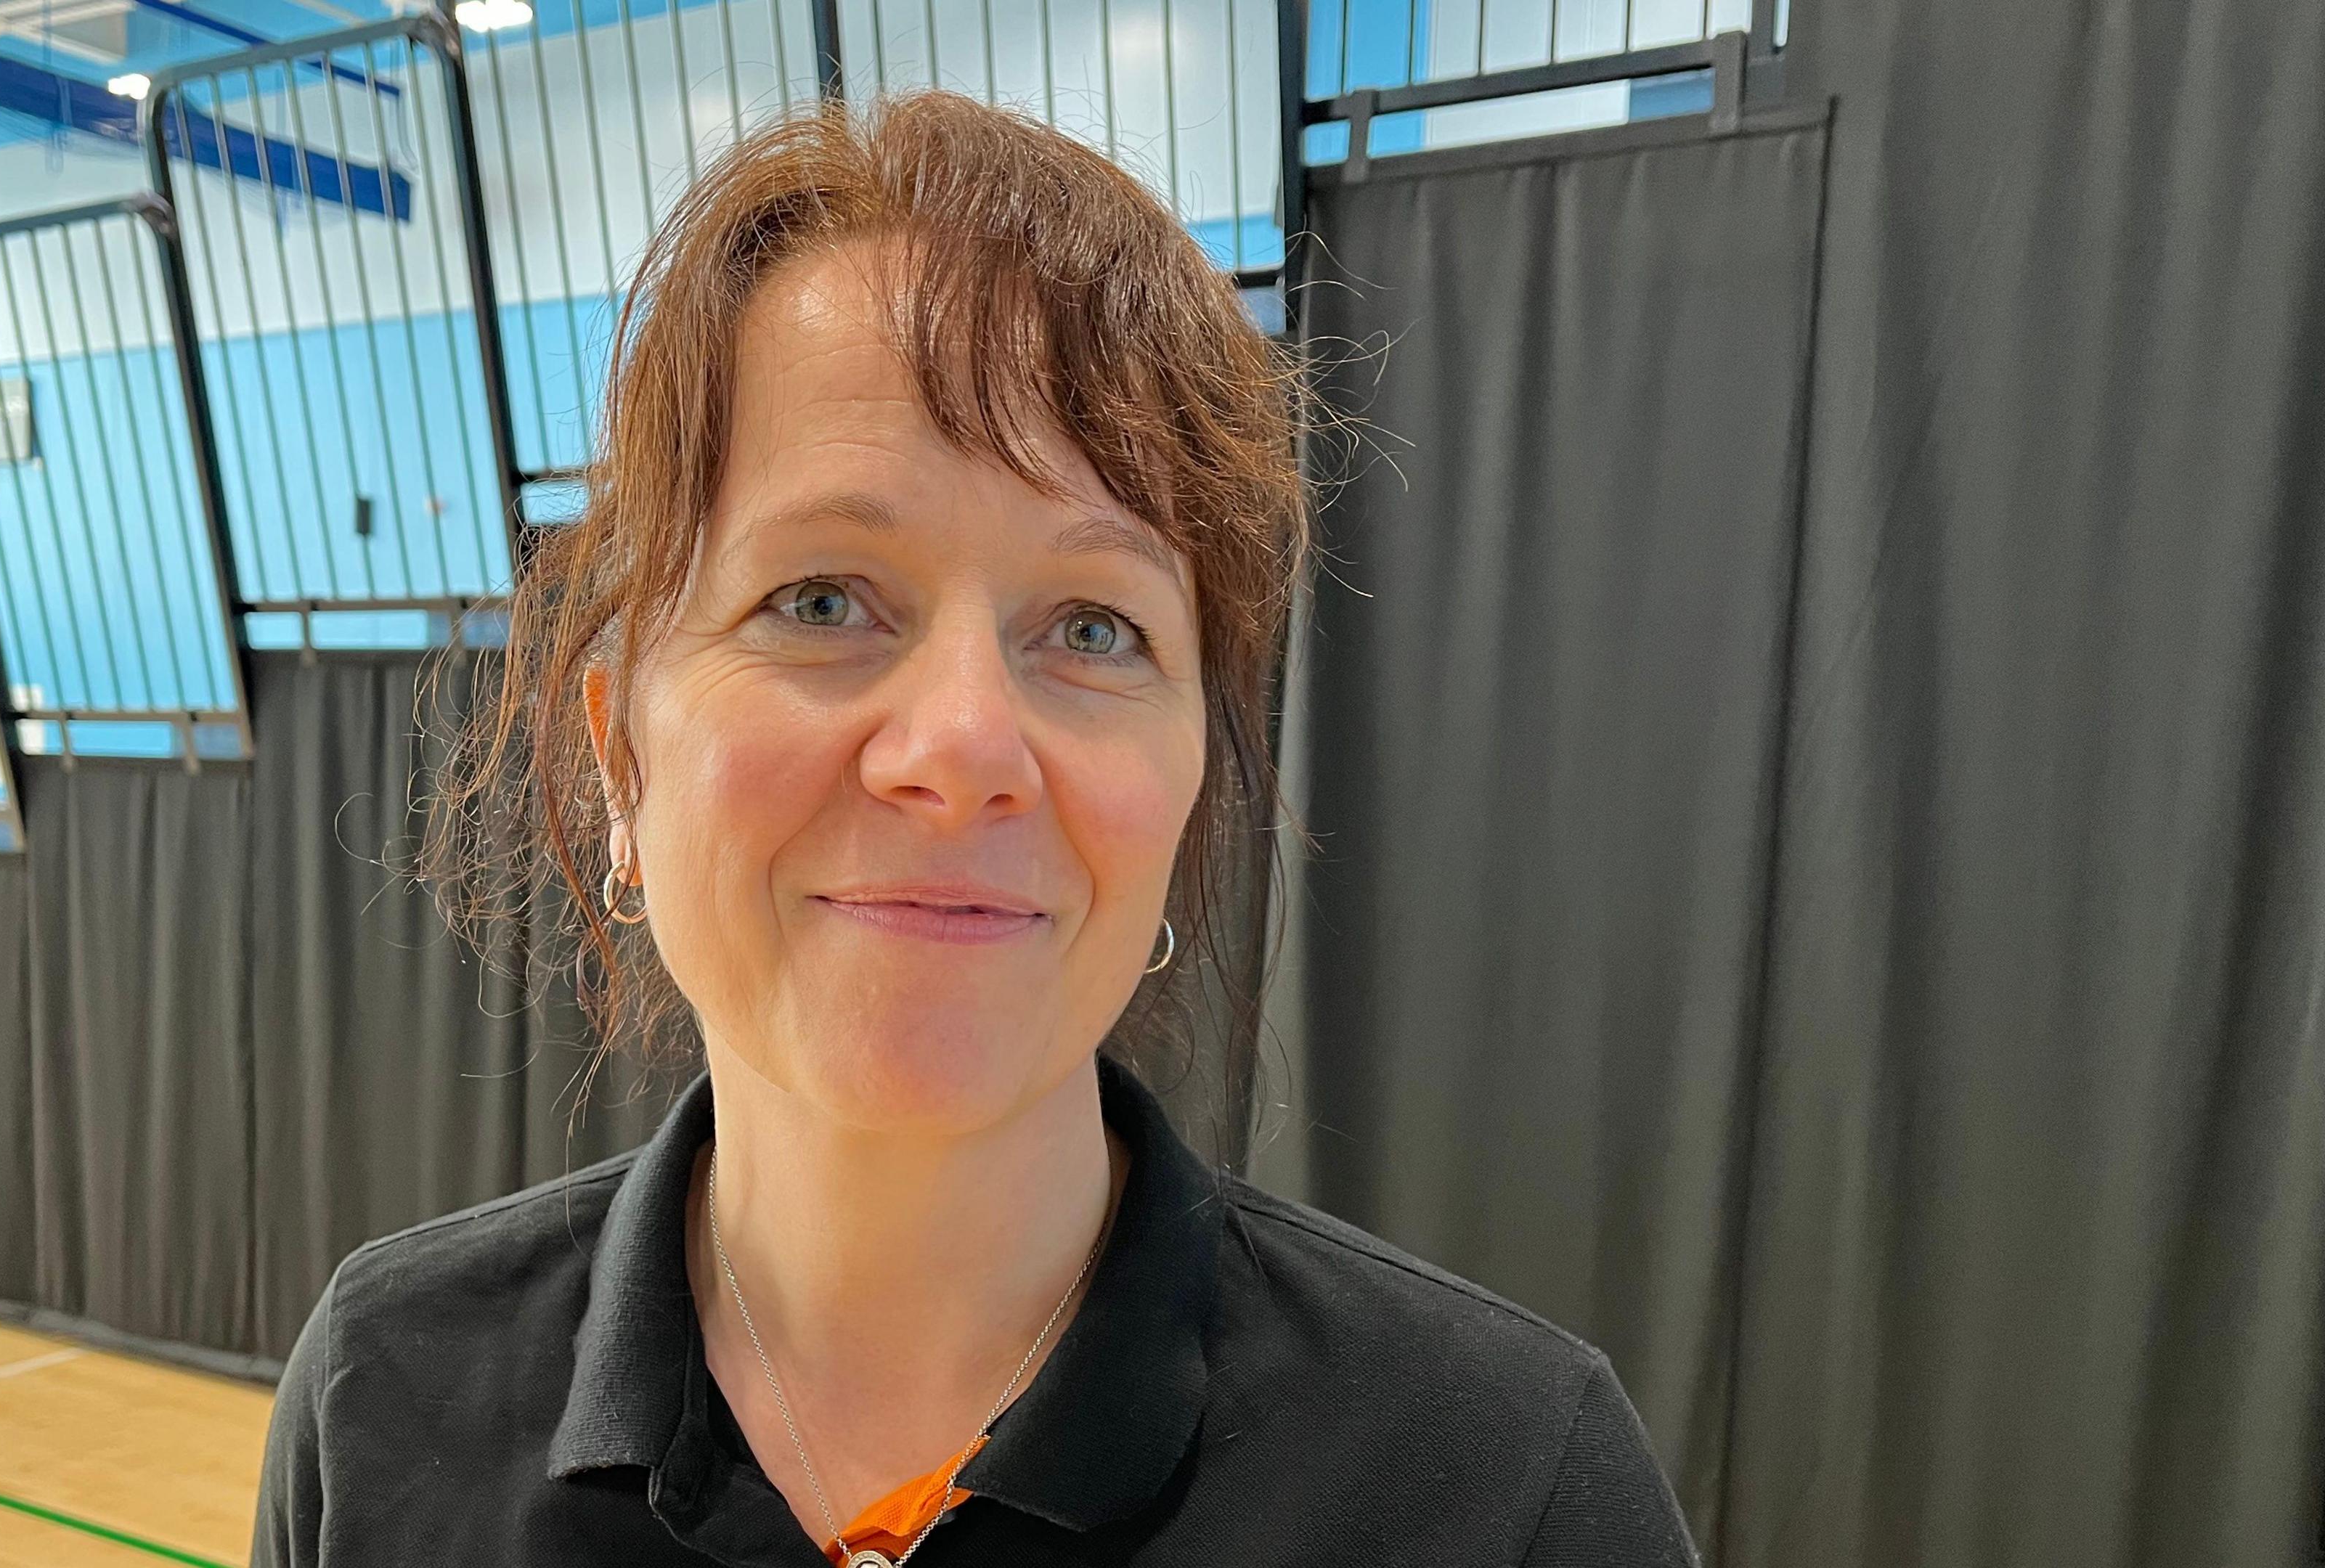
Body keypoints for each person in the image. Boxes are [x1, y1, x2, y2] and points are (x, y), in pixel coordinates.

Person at [254, 91, 1698, 1567]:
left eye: (1093, 624)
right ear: (619, 750)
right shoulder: (385, 1390)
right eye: (820, 600)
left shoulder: (1512, 1487)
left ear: (1194, 778)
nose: (960, 750)